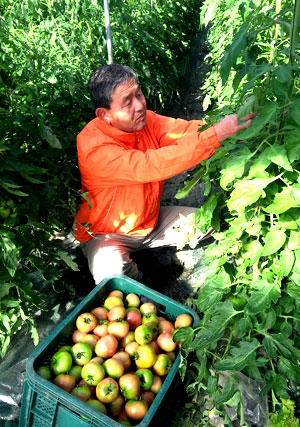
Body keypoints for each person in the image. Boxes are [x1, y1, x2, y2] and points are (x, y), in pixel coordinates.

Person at [73, 63, 255, 285]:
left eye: (138, 94)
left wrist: (229, 129)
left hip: (150, 220)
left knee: (208, 222)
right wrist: (215, 136)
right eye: (127, 102)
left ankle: (148, 258)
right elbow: (150, 165)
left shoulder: (145, 120)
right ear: (105, 115)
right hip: (107, 235)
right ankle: (140, 282)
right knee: (112, 272)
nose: (139, 105)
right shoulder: (94, 147)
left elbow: (186, 130)